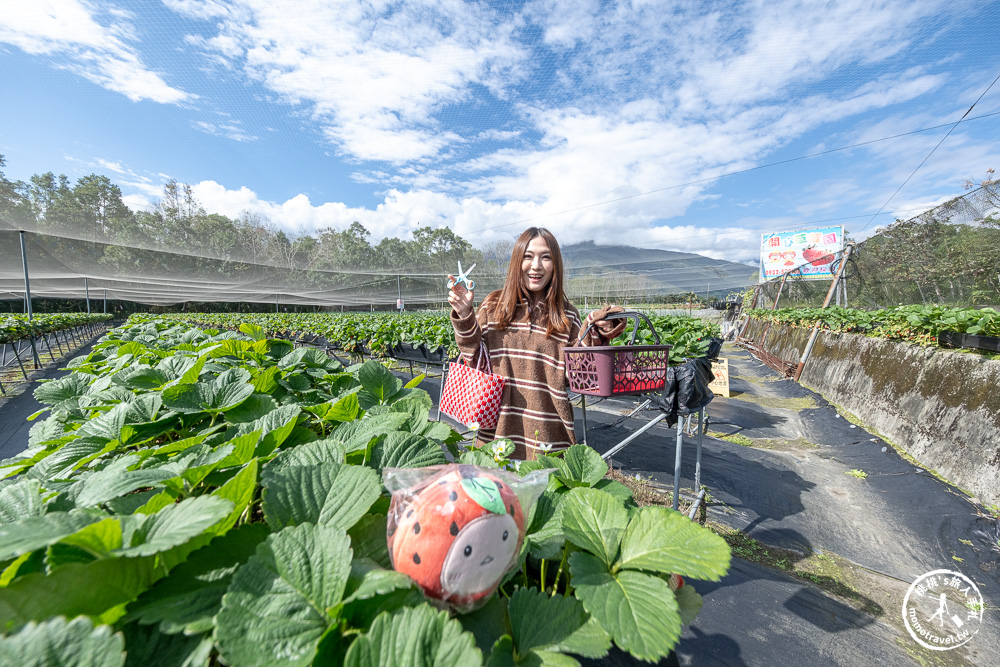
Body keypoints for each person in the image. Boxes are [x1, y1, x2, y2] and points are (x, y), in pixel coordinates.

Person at [448, 227, 625, 460]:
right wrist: (464, 314)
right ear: (516, 261)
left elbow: (578, 374)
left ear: (556, 265)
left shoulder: (566, 315)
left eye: (546, 257)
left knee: (544, 495)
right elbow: (478, 365)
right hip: (496, 434)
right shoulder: (493, 306)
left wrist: (595, 329)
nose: (536, 266)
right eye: (528, 256)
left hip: (548, 437)